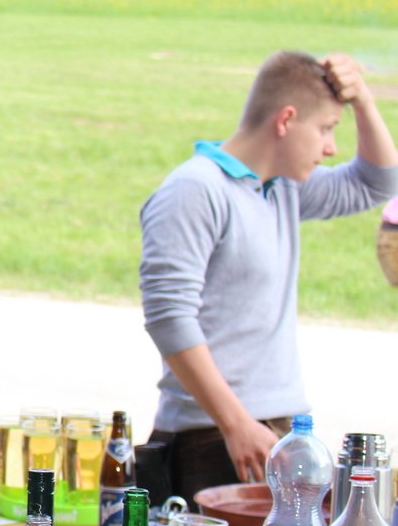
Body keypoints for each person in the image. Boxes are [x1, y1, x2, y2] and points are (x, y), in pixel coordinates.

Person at [140, 50, 398, 498]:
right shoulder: (194, 190)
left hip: (274, 429)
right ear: (286, 120)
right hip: (213, 437)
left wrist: (362, 98)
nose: (331, 148)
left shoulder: (281, 189)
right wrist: (235, 423)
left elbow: (377, 183)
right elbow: (169, 317)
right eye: (326, 129)